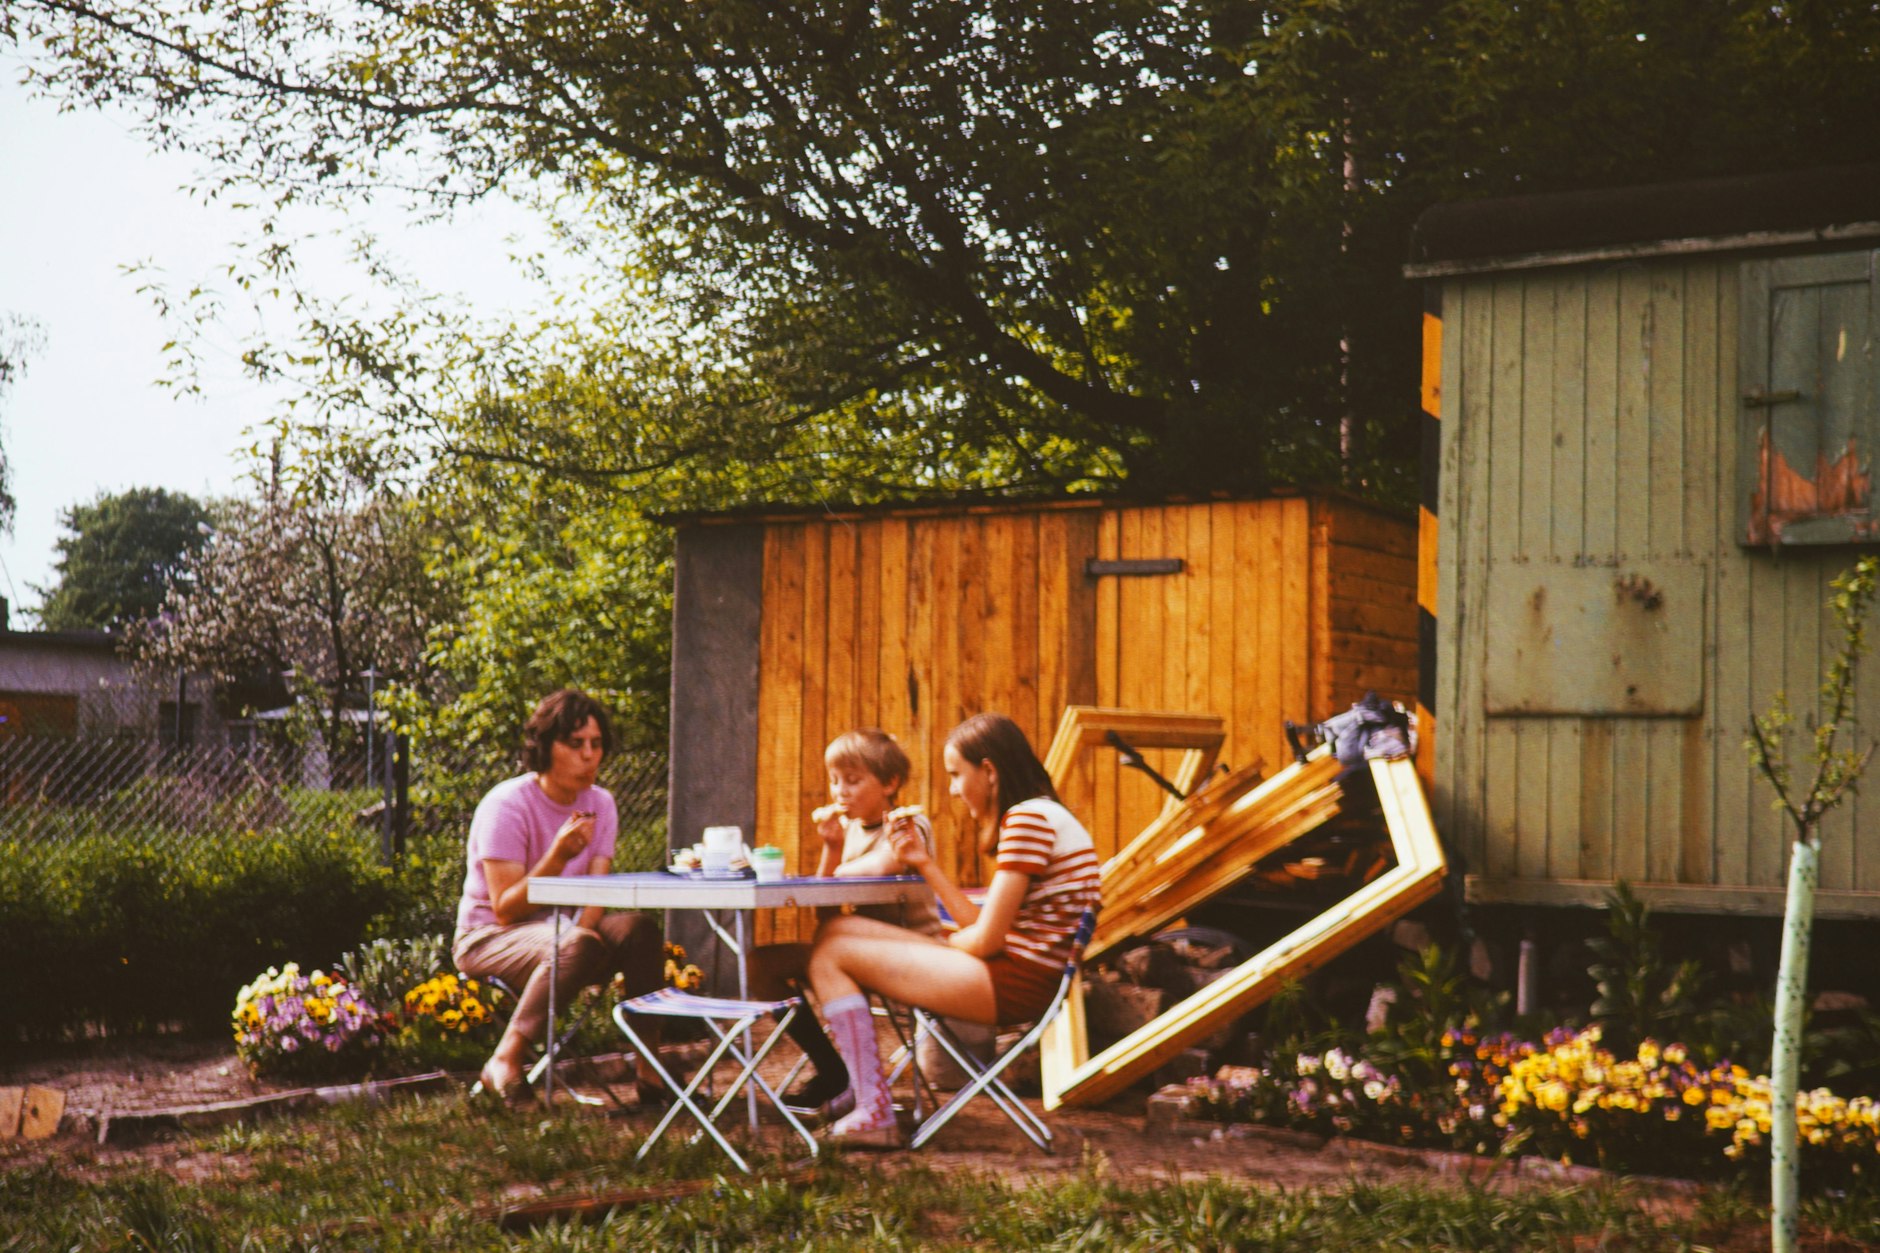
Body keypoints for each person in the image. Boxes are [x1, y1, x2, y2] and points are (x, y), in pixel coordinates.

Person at [805, 712, 1101, 1146]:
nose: (953, 789)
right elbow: (981, 927)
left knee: (832, 953)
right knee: (839, 931)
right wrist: (925, 864)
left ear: (989, 771)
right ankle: (866, 1094)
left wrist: (947, 942)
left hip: (1012, 982)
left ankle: (873, 1110)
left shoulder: (1028, 821)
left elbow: (984, 939)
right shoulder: (1040, 816)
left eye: (956, 775)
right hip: (1012, 971)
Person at [452, 688, 665, 1105]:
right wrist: (558, 855)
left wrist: (585, 946)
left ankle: (650, 1070)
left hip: (565, 935)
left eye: (597, 744)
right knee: (578, 942)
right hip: (490, 937)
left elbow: (596, 894)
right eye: (575, 744)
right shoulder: (507, 805)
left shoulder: (600, 803)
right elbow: (506, 907)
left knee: (639, 929)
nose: (589, 755)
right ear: (545, 747)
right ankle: (505, 1060)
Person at [746, 728, 942, 1114]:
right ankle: (833, 1070)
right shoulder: (850, 831)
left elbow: (885, 865)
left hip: (913, 954)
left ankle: (858, 1088)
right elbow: (828, 911)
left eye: (853, 781)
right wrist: (832, 848)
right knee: (759, 965)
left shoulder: (906, 826)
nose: (840, 791)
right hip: (858, 952)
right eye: (835, 781)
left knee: (825, 949)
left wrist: (839, 869)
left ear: (890, 783)